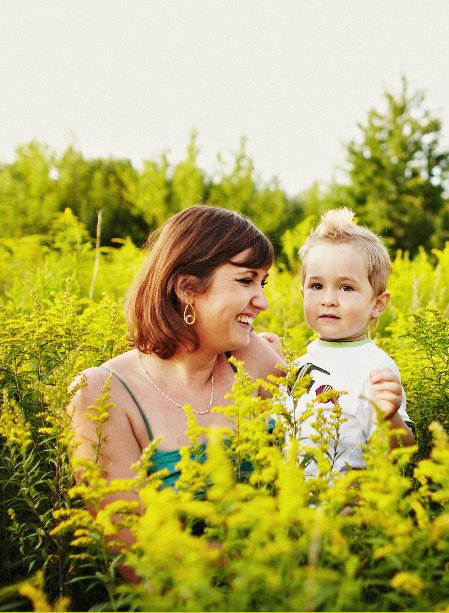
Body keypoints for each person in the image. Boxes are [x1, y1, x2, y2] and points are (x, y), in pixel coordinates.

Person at [66, 205, 285, 579]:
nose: (262, 301)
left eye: (262, 283)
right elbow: (134, 557)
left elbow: (330, 441)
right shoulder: (102, 395)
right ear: (186, 287)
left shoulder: (252, 357)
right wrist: (280, 555)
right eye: (246, 280)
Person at [289, 207, 415, 478]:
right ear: (303, 294)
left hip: (346, 508)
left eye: (346, 287)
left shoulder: (374, 368)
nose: (328, 299)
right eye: (316, 286)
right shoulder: (302, 361)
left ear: (377, 304)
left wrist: (389, 417)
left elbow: (401, 452)